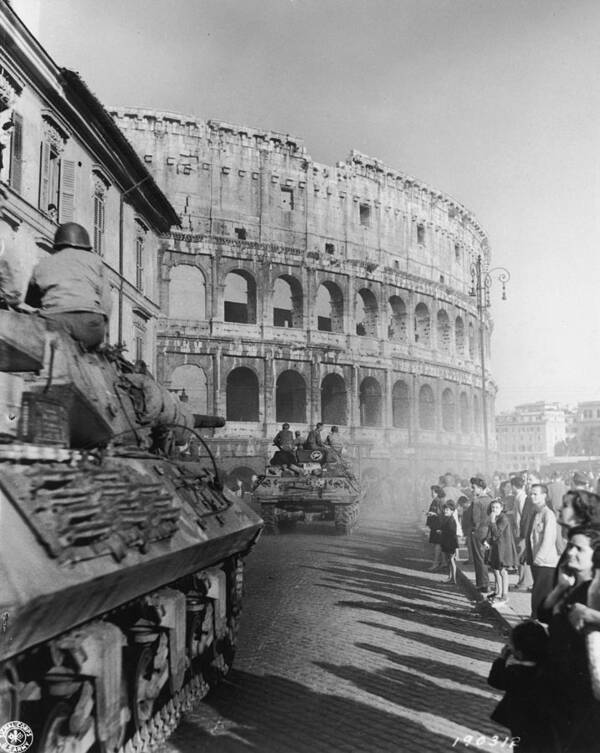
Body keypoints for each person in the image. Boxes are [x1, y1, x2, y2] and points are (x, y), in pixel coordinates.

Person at [538, 527, 600, 751]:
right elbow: (543, 614)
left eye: (579, 548)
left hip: (585, 690)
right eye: (569, 546)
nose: (570, 552)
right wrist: (560, 588)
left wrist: (590, 615)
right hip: (560, 684)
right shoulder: (571, 583)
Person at [28, 222, 112, 349]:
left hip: (54, 323)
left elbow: (31, 301)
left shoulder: (43, 263)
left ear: (58, 244)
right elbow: (106, 303)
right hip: (90, 326)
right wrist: (104, 334)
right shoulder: (97, 263)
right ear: (85, 245)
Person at [487, 620, 554, 753]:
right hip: (544, 725)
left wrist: (501, 659)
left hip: (520, 723)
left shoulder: (515, 672)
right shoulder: (548, 669)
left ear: (519, 653)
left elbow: (495, 680)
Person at [529, 483, 560, 619]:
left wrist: (539, 558)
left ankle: (537, 618)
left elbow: (549, 539)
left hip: (546, 562)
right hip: (537, 560)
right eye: (531, 493)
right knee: (538, 591)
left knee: (540, 593)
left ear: (544, 496)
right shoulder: (536, 512)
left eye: (535, 494)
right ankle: (536, 617)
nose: (532, 496)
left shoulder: (548, 514)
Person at [484, 498, 519, 606]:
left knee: (502, 571)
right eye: (493, 507)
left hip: (504, 548)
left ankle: (504, 595)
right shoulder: (495, 517)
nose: (494, 509)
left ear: (502, 508)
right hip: (496, 547)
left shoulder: (503, 519)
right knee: (495, 570)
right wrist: (487, 540)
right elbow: (491, 533)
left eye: (497, 507)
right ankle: (497, 592)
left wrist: (493, 521)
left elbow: (497, 533)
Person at [470, 476, 492, 592]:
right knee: (486, 558)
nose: (472, 490)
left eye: (473, 487)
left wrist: (473, 530)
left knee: (479, 558)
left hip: (479, 531)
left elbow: (475, 520)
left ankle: (483, 584)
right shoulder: (490, 499)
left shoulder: (477, 501)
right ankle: (485, 583)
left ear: (480, 488)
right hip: (489, 530)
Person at [426, 486, 445, 571]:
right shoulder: (437, 500)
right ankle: (444, 562)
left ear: (438, 493)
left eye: (433, 492)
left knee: (437, 544)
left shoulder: (439, 501)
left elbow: (442, 514)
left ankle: (436, 563)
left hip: (438, 525)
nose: (431, 494)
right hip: (436, 525)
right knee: (440, 544)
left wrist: (433, 514)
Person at [440, 501, 458, 584]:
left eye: (447, 510)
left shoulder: (451, 521)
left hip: (451, 543)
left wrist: (456, 548)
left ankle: (454, 579)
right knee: (449, 561)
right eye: (444, 510)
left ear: (452, 511)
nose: (445, 511)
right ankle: (450, 577)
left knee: (451, 560)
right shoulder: (448, 519)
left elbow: (453, 534)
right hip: (447, 542)